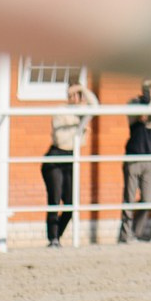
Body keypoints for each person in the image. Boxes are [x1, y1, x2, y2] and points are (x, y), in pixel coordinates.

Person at [42, 81, 93, 247]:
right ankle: (53, 239)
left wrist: (82, 89)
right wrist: (79, 128)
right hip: (56, 156)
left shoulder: (82, 112)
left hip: (71, 158)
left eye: (75, 94)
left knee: (71, 203)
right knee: (55, 199)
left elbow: (96, 105)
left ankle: (57, 236)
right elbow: (60, 137)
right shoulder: (61, 110)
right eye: (69, 95)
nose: (71, 98)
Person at [118, 79, 151, 242]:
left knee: (148, 200)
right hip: (133, 156)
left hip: (149, 159)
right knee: (129, 198)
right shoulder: (134, 103)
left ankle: (136, 232)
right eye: (148, 89)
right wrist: (149, 103)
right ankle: (125, 234)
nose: (150, 93)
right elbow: (138, 114)